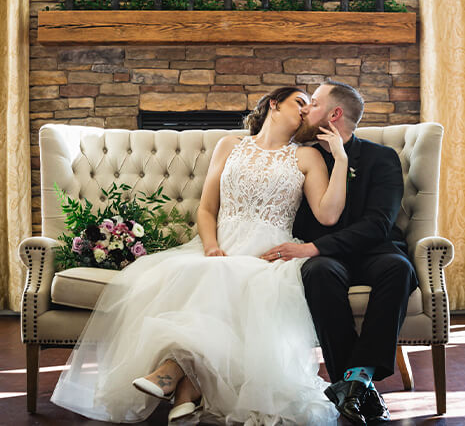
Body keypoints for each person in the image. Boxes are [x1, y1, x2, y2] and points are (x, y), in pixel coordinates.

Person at [51, 87, 348, 425]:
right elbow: (207, 210)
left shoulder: (306, 157)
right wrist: (210, 247)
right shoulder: (229, 146)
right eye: (299, 102)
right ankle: (184, 392)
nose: (306, 110)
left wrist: (340, 158)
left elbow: (328, 215)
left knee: (226, 280)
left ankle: (172, 375)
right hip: (218, 249)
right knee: (202, 274)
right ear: (273, 104)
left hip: (269, 259)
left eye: (310, 106)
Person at [261, 80, 419, 425]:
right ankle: (357, 386)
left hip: (375, 251)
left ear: (335, 114)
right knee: (318, 273)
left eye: (313, 103)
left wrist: (313, 246)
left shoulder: (381, 158)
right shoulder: (301, 157)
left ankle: (355, 379)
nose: (305, 109)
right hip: (326, 261)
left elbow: (379, 224)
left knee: (400, 268)